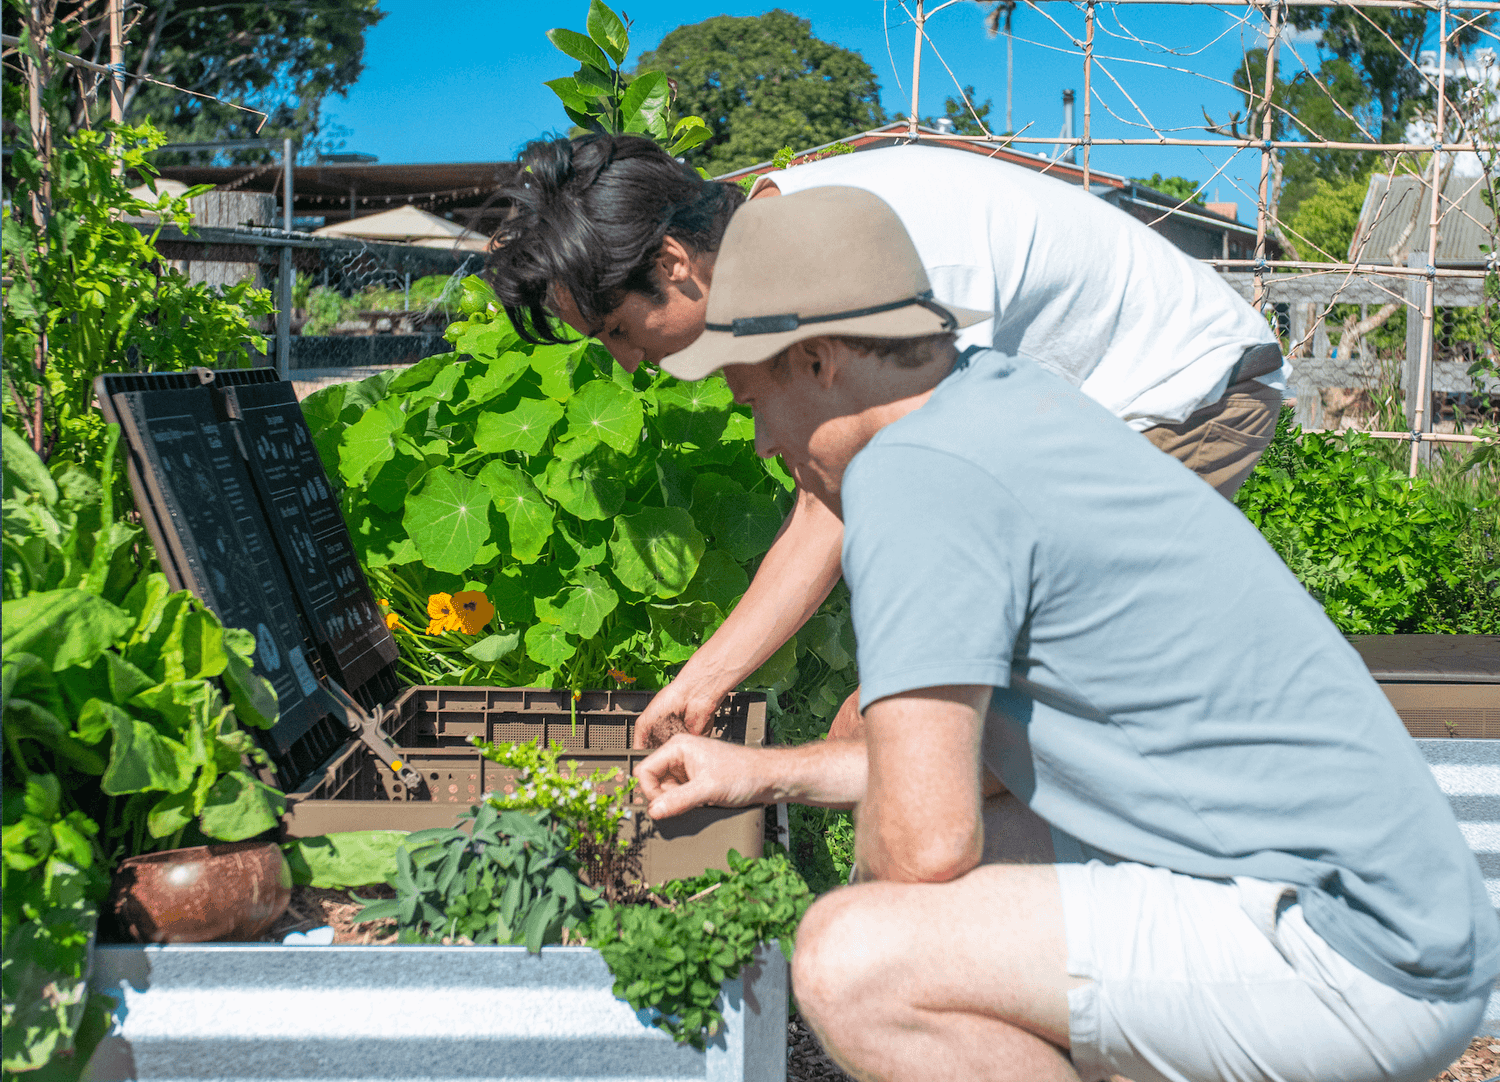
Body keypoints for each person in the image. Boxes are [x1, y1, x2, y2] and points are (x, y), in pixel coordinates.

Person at [629, 184, 1497, 1082]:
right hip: (1406, 919)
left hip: (1350, 954)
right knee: (972, 866)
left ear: (817, 361)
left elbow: (923, 848)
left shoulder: (914, 476)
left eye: (752, 401)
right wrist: (765, 773)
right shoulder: (1000, 400)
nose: (762, 443)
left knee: (855, 961)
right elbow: (984, 766)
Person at [488, 134, 1286, 748]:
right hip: (1067, 419)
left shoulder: (863, 245)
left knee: (963, 712)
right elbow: (835, 497)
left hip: (1179, 398)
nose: (628, 362)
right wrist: (702, 683)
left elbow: (911, 498)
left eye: (619, 330)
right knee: (918, 720)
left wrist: (878, 710)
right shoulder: (780, 251)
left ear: (673, 264)